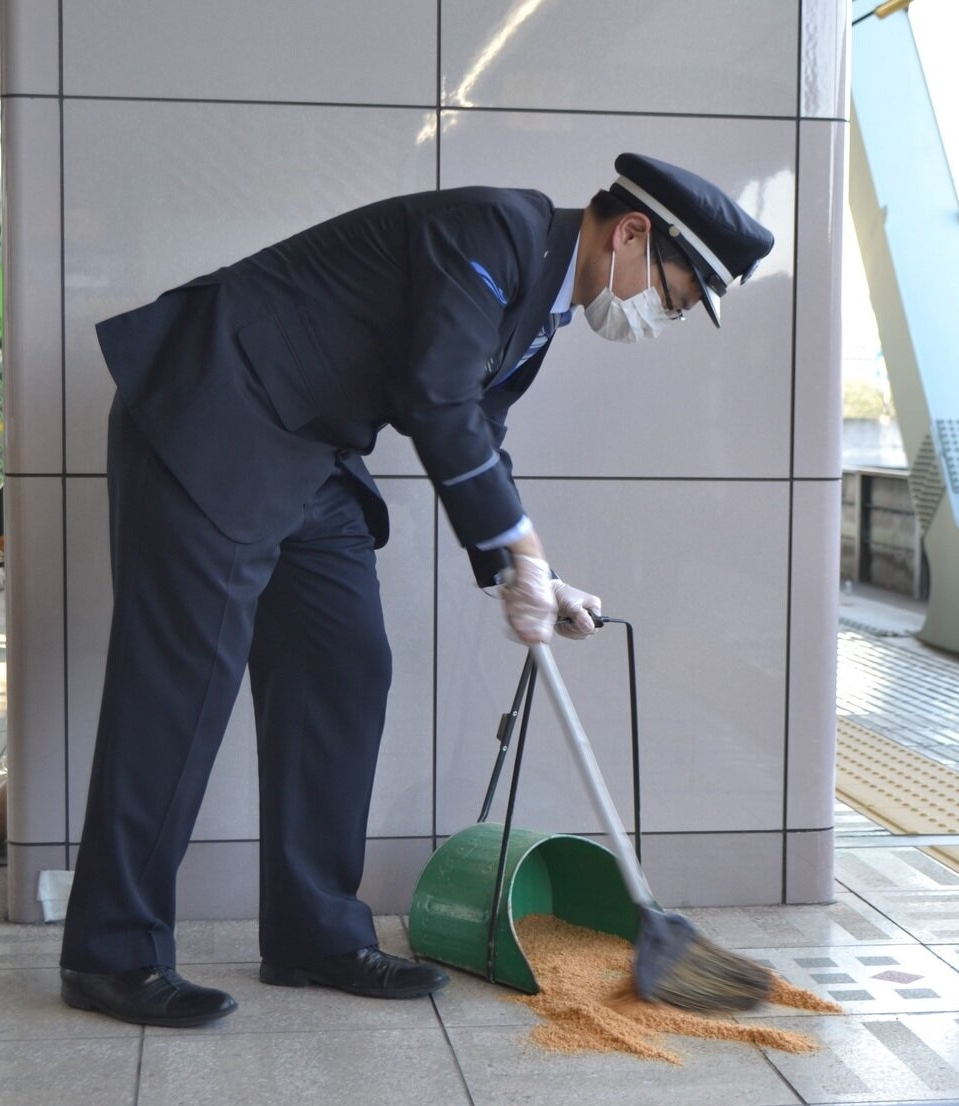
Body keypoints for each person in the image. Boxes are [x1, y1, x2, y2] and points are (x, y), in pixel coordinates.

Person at [58, 153, 774, 1027]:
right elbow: (437, 398)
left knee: (345, 664)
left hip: (311, 454)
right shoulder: (496, 234)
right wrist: (518, 541)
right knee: (182, 686)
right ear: (632, 234)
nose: (660, 320)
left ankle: (311, 932)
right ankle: (111, 952)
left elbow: (481, 435)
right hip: (214, 412)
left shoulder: (543, 314)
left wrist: (532, 572)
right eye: (673, 295)